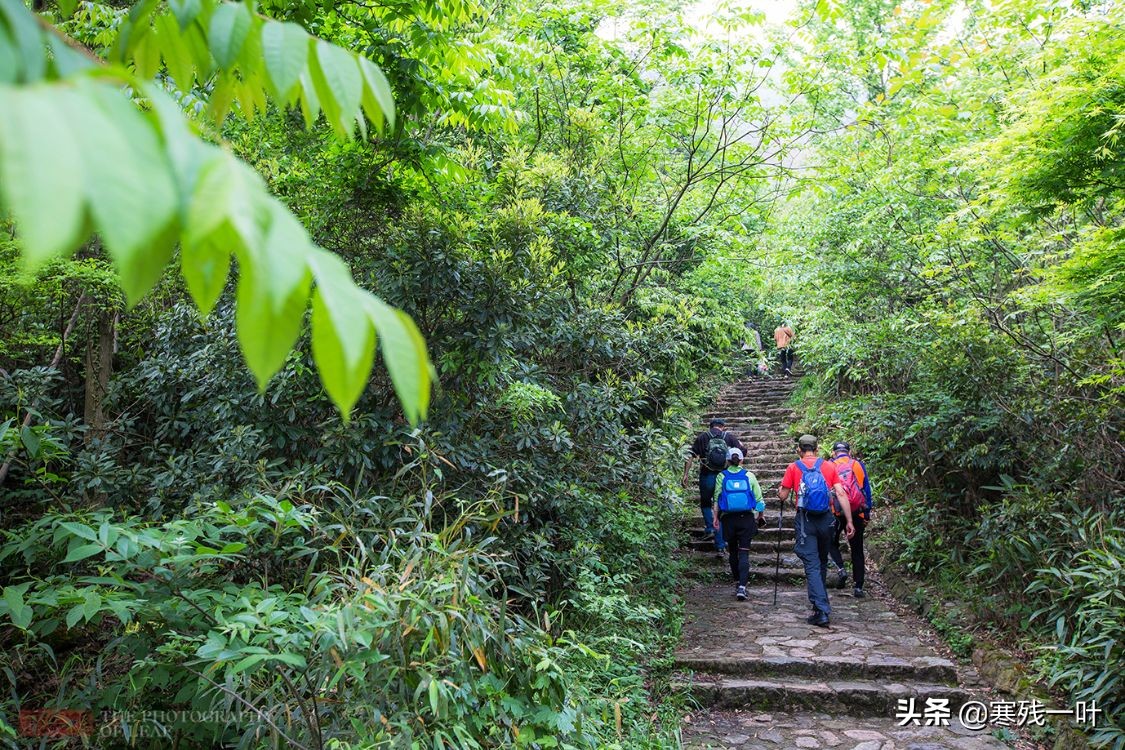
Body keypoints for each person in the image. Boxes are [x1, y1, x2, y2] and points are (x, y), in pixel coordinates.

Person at [778, 434, 854, 627]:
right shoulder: (829, 466)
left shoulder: (794, 467)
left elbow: (783, 496)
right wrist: (849, 521)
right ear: (817, 449)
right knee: (821, 561)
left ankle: (821, 609)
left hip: (805, 521)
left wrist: (780, 490)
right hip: (826, 520)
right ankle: (818, 603)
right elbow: (841, 492)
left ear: (799, 450)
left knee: (811, 564)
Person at [712, 447, 765, 601]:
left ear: (727, 461)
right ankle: (742, 587)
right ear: (742, 459)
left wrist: (715, 517)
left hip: (728, 519)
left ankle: (736, 581)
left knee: (733, 552)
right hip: (746, 519)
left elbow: (716, 499)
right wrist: (760, 516)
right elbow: (759, 500)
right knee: (744, 553)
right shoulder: (749, 475)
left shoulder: (721, 476)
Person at [684, 419, 744, 554]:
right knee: (720, 510)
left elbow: (690, 456)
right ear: (723, 427)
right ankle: (720, 545)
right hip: (724, 478)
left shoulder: (703, 437)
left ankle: (710, 528)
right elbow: (742, 454)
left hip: (707, 476)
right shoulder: (729, 437)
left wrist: (685, 475)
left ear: (710, 426)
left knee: (706, 504)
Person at [827, 441, 873, 598]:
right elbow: (866, 489)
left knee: (830, 542)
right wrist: (866, 513)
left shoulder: (829, 465)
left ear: (834, 453)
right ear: (849, 451)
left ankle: (840, 568)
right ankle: (858, 586)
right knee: (857, 549)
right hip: (857, 511)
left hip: (836, 512)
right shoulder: (857, 465)